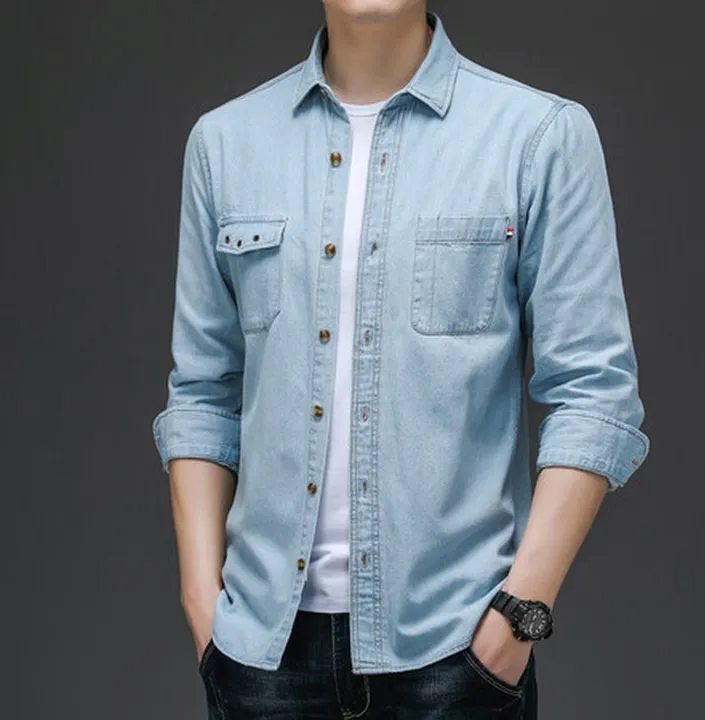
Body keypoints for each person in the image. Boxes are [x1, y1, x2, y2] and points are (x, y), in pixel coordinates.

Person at [151, 2, 650, 717]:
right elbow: (204, 392)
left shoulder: (538, 136)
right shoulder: (225, 143)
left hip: (457, 653)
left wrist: (520, 615)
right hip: (260, 658)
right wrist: (203, 604)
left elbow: (595, 393)